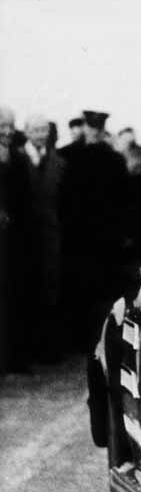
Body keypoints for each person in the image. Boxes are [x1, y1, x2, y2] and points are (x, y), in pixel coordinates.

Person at [57, 110, 133, 348]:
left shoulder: (77, 156)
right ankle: (88, 338)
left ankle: (90, 338)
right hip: (86, 235)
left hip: (94, 236)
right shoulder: (70, 156)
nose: (93, 132)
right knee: (87, 289)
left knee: (94, 290)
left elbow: (123, 199)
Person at [24, 113, 67, 362]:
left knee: (50, 290)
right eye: (35, 130)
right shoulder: (17, 159)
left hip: (51, 236)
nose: (40, 135)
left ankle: (48, 349)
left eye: (44, 130)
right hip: (24, 237)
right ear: (27, 132)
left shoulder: (58, 163)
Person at [0, 106, 33, 372]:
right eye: (2, 126)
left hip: (14, 241)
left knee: (14, 298)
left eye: (10, 126)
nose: (7, 131)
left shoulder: (19, 158)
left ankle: (14, 358)